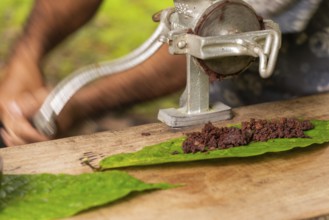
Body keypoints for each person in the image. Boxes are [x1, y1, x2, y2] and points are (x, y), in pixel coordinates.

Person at [0, 0, 328, 146]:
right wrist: (25, 59)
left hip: (312, 101)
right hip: (226, 97)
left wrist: (78, 103)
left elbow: (210, 33)